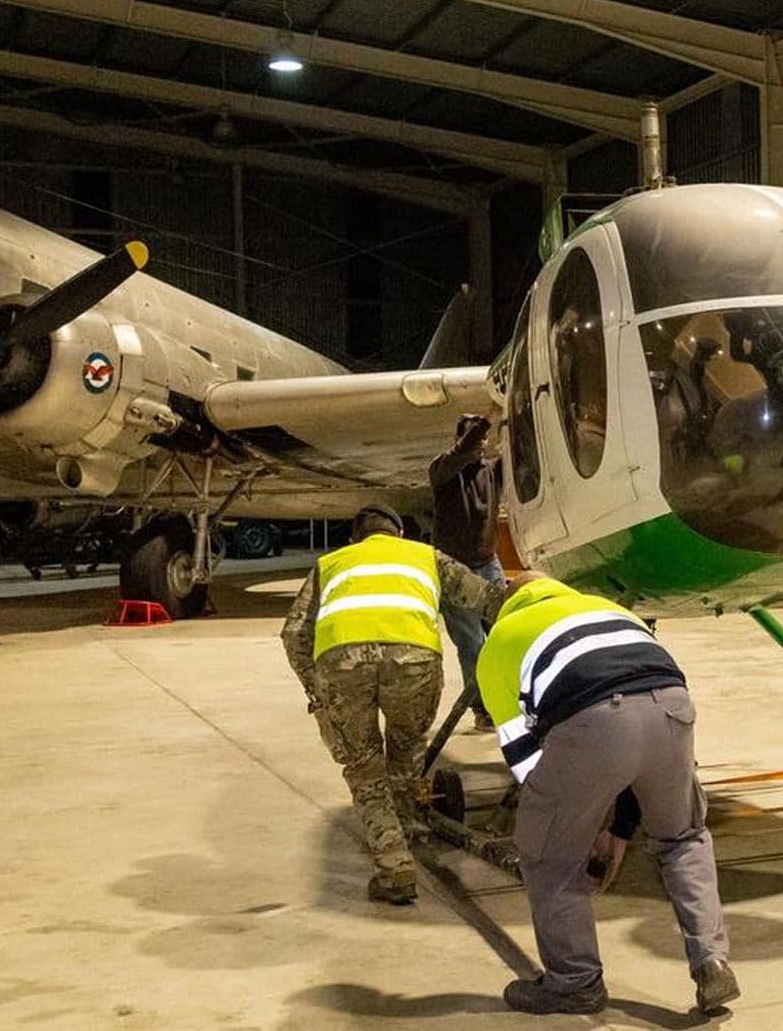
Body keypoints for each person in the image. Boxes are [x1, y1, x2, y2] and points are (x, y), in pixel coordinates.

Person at [478, 573, 737, 1017]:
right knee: (683, 838)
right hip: (672, 705)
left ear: (505, 607)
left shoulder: (500, 640)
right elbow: (645, 744)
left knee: (548, 852)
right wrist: (618, 829)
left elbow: (528, 765)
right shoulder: (607, 609)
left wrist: (582, 826)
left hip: (594, 716)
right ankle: (711, 961)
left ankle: (574, 983)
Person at [280, 504, 506, 904]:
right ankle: (402, 827)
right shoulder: (424, 556)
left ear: (355, 538)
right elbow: (487, 599)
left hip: (342, 664)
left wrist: (317, 688)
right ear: (399, 534)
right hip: (413, 662)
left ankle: (394, 865)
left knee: (365, 768)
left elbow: (295, 633)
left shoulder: (331, 563)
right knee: (405, 753)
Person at [429, 414, 506, 731]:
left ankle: (507, 698)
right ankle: (482, 708)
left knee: (503, 632)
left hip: (488, 562)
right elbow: (465, 448)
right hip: (454, 567)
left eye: (483, 440)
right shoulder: (443, 470)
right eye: (473, 439)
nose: (480, 445)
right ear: (460, 441)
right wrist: (487, 419)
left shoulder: (491, 471)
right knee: (472, 643)